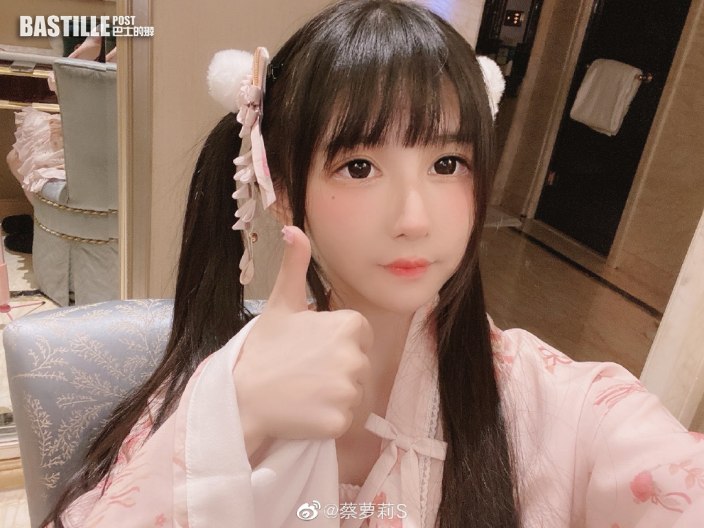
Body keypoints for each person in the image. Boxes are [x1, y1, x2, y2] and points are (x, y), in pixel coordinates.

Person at [42, 1, 704, 527]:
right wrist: (234, 419)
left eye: (448, 164)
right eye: (359, 167)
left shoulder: (556, 404)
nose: (415, 217)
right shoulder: (215, 396)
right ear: (282, 191)